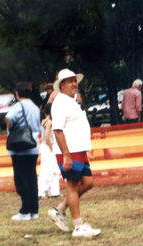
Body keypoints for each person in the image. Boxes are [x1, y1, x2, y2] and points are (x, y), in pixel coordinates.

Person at [48, 69, 100, 237]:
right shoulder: (61, 102)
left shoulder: (71, 101)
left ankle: (60, 209)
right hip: (69, 151)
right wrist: (66, 156)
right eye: (69, 81)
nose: (74, 83)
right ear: (61, 85)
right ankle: (78, 226)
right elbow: (57, 130)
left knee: (88, 182)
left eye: (74, 80)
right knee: (72, 186)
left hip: (78, 150)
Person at [6, 81, 41, 221]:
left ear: (17, 93)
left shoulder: (19, 105)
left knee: (21, 179)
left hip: (20, 148)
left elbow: (8, 119)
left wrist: (11, 129)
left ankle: (24, 211)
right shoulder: (34, 106)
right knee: (32, 178)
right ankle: (34, 210)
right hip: (33, 146)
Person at [38, 103, 61, 199]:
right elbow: (47, 136)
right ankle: (41, 192)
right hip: (48, 146)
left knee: (53, 169)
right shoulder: (49, 122)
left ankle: (54, 191)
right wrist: (51, 148)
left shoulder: (44, 120)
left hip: (46, 146)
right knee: (47, 170)